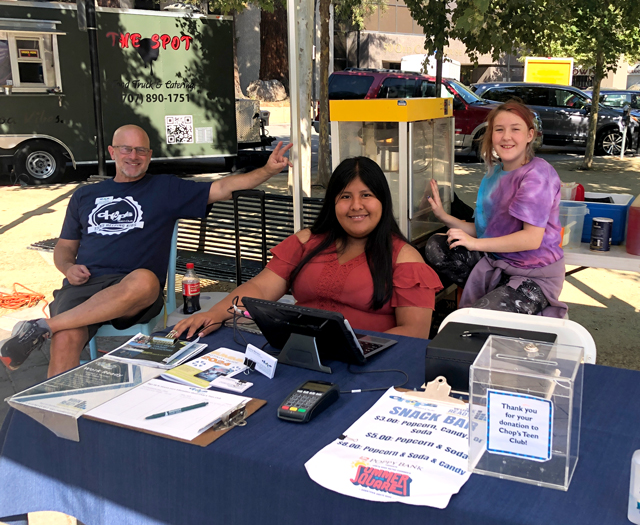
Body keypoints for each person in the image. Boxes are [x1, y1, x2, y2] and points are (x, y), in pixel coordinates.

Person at [0, 124, 292, 376]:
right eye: (126, 149)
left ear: (149, 156)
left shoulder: (164, 189)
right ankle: (55, 419)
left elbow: (223, 187)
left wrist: (267, 170)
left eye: (141, 151)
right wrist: (67, 268)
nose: (134, 156)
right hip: (85, 285)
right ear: (113, 152)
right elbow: (65, 248)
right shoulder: (85, 195)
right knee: (65, 340)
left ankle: (42, 327)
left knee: (144, 279)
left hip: (136, 290)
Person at [170, 156, 443, 341]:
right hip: (297, 356)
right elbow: (261, 289)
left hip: (369, 363)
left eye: (366, 196)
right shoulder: (306, 241)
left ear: (382, 202)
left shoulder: (404, 258)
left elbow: (414, 332)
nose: (356, 206)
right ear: (332, 203)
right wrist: (213, 315)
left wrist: (354, 349)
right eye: (345, 196)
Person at [424, 100, 567, 318]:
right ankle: (495, 293)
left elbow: (531, 239)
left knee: (480, 319)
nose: (506, 137)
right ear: (491, 135)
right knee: (437, 246)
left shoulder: (538, 174)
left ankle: (501, 300)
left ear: (530, 135)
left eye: (515, 129)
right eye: (499, 130)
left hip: (534, 276)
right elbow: (485, 231)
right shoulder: (495, 175)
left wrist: (475, 244)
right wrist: (443, 216)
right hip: (497, 266)